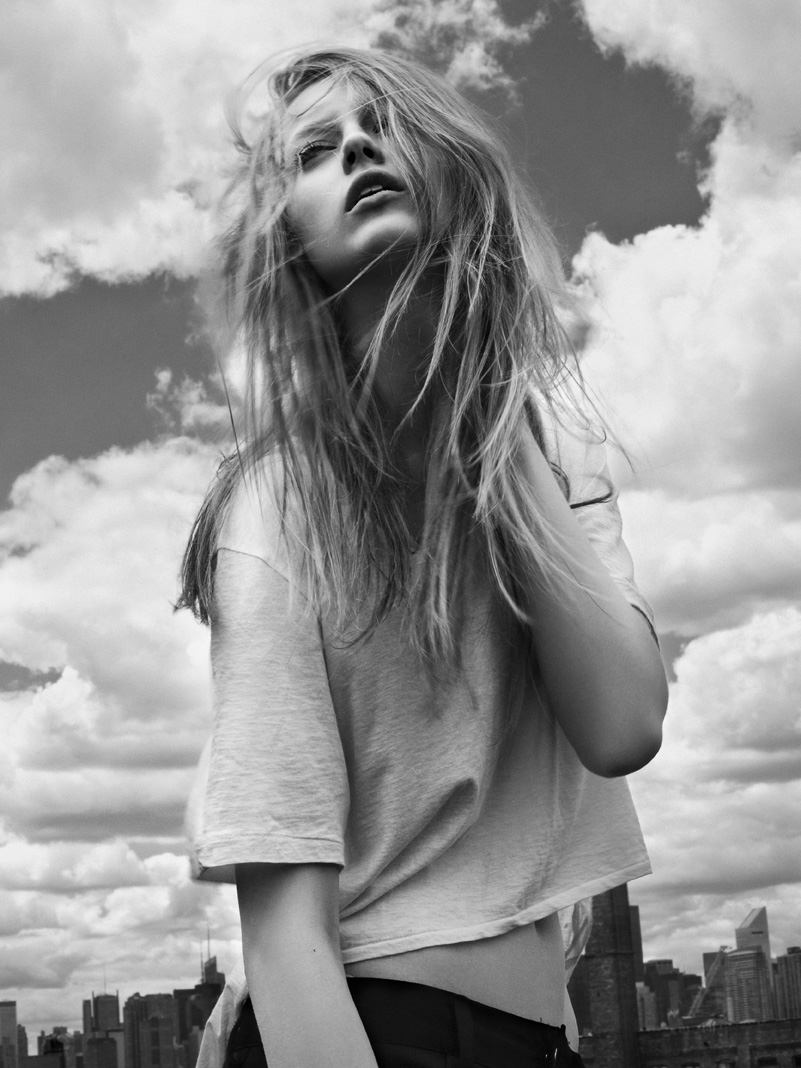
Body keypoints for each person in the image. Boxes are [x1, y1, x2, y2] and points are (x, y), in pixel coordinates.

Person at [180, 45, 669, 1068]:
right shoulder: (279, 504)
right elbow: (285, 928)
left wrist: (484, 409)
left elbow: (621, 724)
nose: (360, 148)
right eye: (315, 151)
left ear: (453, 170)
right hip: (374, 1023)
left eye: (387, 127)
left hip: (542, 1037)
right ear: (288, 238)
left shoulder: (557, 455)